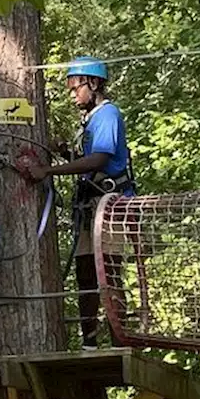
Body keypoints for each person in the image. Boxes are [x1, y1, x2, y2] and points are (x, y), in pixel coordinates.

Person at [25, 56, 136, 349]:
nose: (73, 94)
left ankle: (119, 342)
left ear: (94, 83)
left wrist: (48, 170)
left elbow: (100, 159)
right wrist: (65, 153)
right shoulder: (90, 120)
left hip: (110, 206)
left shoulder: (107, 115)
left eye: (76, 88)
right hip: (91, 206)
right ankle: (89, 341)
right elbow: (90, 162)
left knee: (108, 272)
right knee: (86, 273)